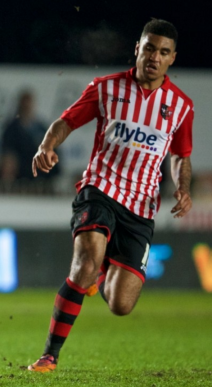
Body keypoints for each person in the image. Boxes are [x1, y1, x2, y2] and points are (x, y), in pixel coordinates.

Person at [28, 19, 193, 372]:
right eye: (149, 48)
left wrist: (182, 186)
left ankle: (101, 274)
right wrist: (47, 145)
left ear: (172, 59)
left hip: (141, 207)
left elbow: (179, 155)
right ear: (138, 48)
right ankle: (49, 355)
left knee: (121, 304)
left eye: (163, 52)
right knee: (84, 265)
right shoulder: (106, 88)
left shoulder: (180, 107)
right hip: (100, 190)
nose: (154, 57)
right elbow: (66, 121)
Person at [0, 91, 59, 188]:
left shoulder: (41, 129)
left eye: (29, 105)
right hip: (20, 174)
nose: (27, 108)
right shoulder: (12, 129)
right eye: (24, 105)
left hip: (40, 175)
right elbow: (7, 153)